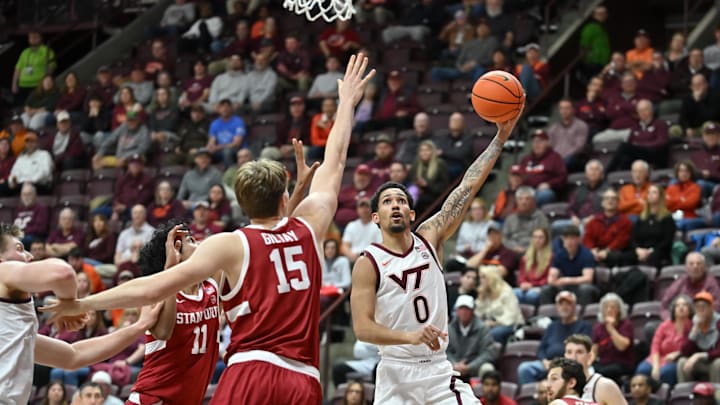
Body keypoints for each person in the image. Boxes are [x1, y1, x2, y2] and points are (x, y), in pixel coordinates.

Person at [41, 53, 376, 404]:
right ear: (283, 197)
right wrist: (346, 103)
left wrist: (82, 301)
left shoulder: (231, 244)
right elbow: (336, 159)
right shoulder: (310, 225)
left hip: (250, 372)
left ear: (242, 205)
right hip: (303, 379)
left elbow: (151, 287)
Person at [350, 98, 522, 403]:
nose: (396, 206)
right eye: (388, 201)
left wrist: (499, 140)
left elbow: (466, 188)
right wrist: (409, 337)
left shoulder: (430, 236)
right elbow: (363, 328)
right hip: (395, 372)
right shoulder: (368, 262)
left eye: (402, 201)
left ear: (412, 214)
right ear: (375, 217)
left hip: (437, 371)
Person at [0, 222, 160, 405]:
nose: (29, 256)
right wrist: (70, 304)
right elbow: (62, 272)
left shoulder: (13, 330)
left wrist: (140, 326)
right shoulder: (2, 271)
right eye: (19, 249)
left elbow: (73, 356)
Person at [127, 220, 221, 404]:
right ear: (174, 254)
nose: (199, 244)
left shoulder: (211, 287)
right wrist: (170, 271)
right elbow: (163, 332)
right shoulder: (156, 293)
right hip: (152, 400)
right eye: (191, 241)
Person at [518, 291, 592, 385]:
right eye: (561, 304)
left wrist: (559, 363)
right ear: (557, 307)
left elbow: (581, 351)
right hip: (548, 364)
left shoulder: (583, 326)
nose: (564, 307)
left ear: (574, 306)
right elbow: (541, 348)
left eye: (568, 304)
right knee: (525, 368)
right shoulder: (552, 326)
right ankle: (535, 398)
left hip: (568, 365)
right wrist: (544, 361)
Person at [635, 294, 692, 386]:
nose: (681, 308)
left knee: (665, 373)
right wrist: (656, 365)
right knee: (642, 370)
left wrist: (678, 354)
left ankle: (665, 397)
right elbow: (655, 346)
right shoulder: (665, 325)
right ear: (673, 309)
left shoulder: (692, 326)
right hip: (659, 358)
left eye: (684, 305)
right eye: (678, 305)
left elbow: (692, 347)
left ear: (690, 309)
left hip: (677, 360)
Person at [539, 225, 598, 306]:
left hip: (580, 286)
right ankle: (547, 316)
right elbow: (551, 278)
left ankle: (582, 315)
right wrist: (555, 281)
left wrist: (567, 280)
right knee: (546, 290)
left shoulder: (586, 254)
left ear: (579, 239)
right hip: (564, 286)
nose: (569, 242)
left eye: (572, 238)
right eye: (566, 238)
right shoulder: (559, 255)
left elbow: (588, 279)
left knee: (585, 289)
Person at [563, 334, 628, 405]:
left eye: (579, 352)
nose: (573, 358)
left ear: (590, 357)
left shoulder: (605, 386)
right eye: (569, 352)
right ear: (564, 356)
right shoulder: (559, 386)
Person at [447, 295, 498, 380]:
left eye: (467, 309)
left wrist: (470, 367)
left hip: (474, 367)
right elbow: (446, 351)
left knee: (487, 368)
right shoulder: (449, 328)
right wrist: (454, 364)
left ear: (473, 311)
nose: (464, 312)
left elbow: (488, 353)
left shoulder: (483, 328)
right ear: (456, 311)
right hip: (453, 367)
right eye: (461, 309)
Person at [678, 291, 720, 382]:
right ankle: (684, 394)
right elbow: (684, 351)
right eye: (697, 307)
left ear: (711, 308)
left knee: (718, 363)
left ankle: (716, 394)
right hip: (698, 364)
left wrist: (699, 355)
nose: (700, 310)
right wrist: (694, 331)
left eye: (703, 306)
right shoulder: (690, 325)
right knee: (682, 362)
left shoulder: (718, 323)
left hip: (713, 362)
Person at [592, 293, 634, 384]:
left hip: (622, 363)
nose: (609, 310)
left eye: (613, 307)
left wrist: (611, 329)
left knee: (602, 373)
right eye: (606, 307)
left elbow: (622, 346)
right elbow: (594, 350)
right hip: (603, 363)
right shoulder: (598, 327)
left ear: (619, 310)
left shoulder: (625, 325)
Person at [475, 266, 525, 343]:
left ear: (491, 278)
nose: (481, 280)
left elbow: (510, 317)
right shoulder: (484, 292)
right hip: (490, 324)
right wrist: (480, 298)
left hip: (510, 325)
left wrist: (494, 323)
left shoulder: (506, 291)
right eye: (480, 278)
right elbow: (478, 313)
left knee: (493, 333)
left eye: (484, 278)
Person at [515, 227, 552, 306]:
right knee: (512, 293)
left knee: (531, 296)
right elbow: (521, 275)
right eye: (535, 237)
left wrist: (532, 285)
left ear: (546, 240)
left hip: (539, 288)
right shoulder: (526, 257)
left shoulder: (551, 257)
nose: (537, 240)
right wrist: (522, 283)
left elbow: (548, 278)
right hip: (526, 287)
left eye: (540, 237)